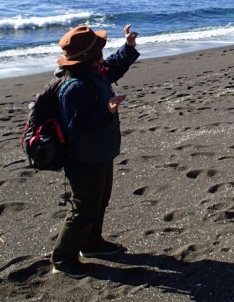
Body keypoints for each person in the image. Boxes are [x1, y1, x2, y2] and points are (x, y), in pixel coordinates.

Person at [51, 24, 140, 278]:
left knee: (99, 202)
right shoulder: (75, 86)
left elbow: (112, 67)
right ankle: (63, 260)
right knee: (83, 209)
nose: (103, 54)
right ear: (90, 57)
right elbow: (77, 125)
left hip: (101, 152)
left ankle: (92, 244)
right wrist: (107, 110)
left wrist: (128, 48)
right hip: (83, 159)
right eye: (100, 50)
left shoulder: (94, 72)